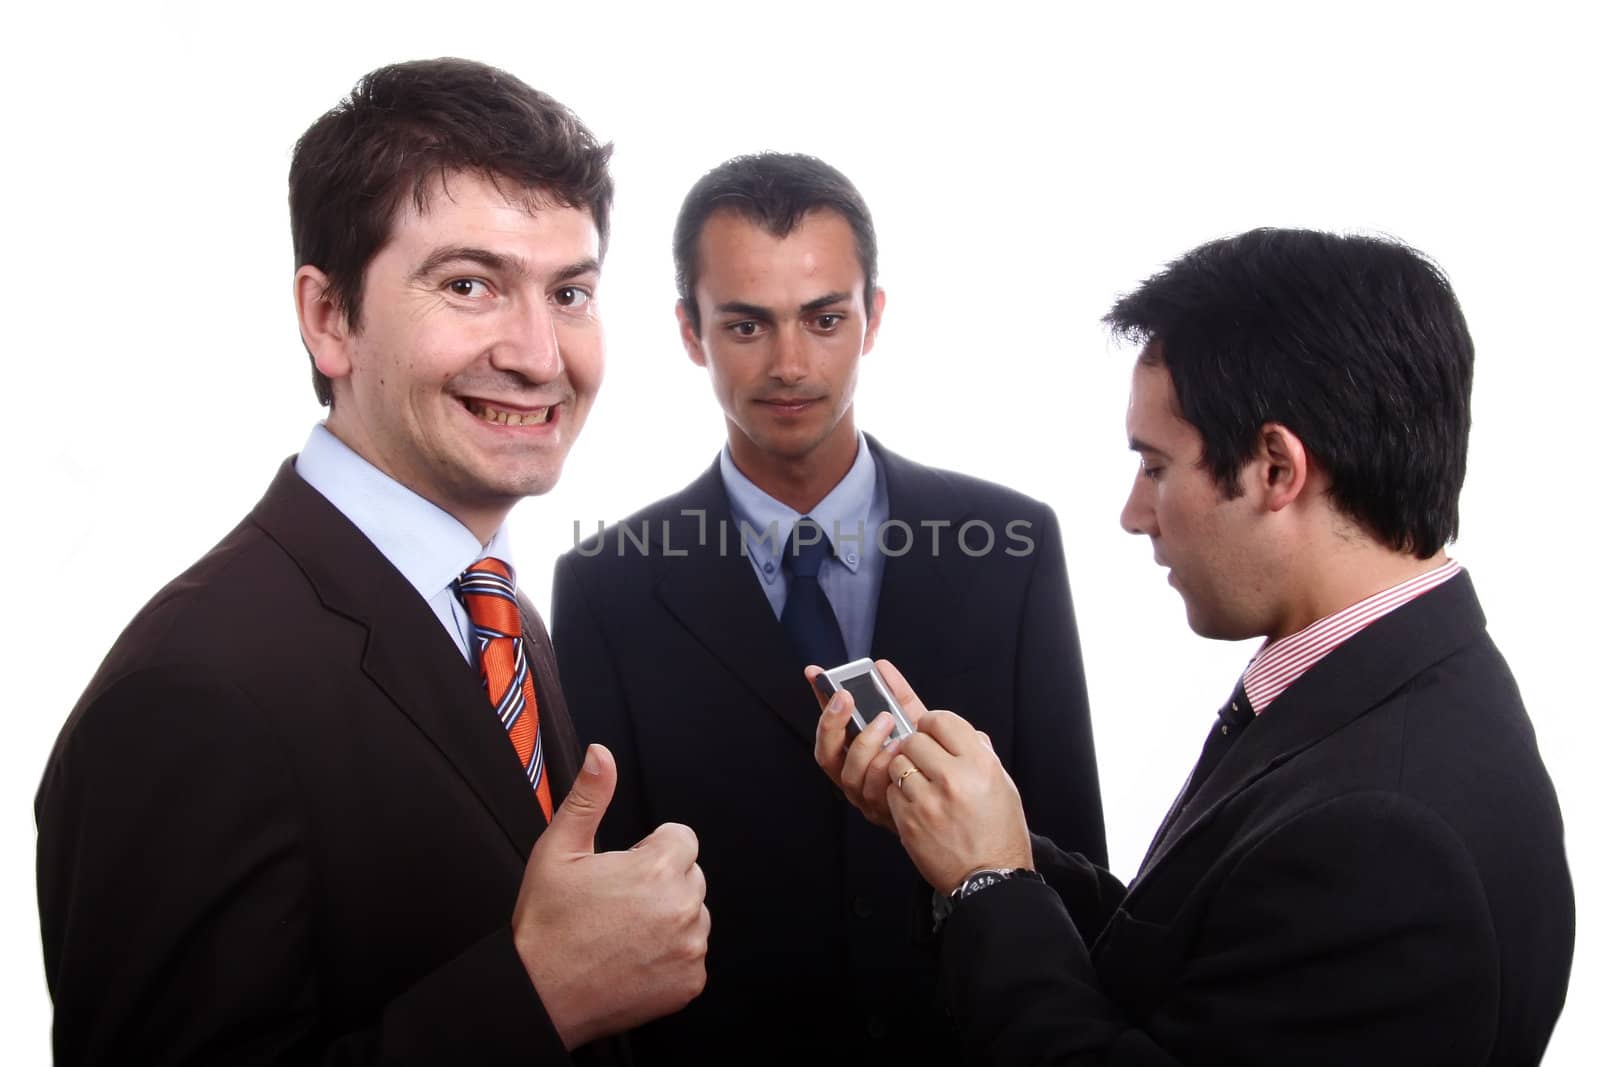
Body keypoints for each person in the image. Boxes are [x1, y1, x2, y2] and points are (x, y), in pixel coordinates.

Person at [35, 58, 708, 1065]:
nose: (538, 352)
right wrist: (537, 996)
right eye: (470, 284)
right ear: (327, 317)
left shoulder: (499, 616)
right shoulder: (193, 688)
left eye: (568, 291)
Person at [813, 229, 1575, 1064]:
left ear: (1275, 469)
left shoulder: (1386, 837)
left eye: (1156, 467)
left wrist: (987, 886)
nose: (1134, 513)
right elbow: (1192, 959)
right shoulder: (1384, 684)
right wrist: (973, 832)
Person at [551, 152, 1106, 1061]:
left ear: (872, 317)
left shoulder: (1012, 544)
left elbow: (1075, 868)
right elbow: (611, 910)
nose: (790, 364)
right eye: (746, 325)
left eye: (824, 318)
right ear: (691, 332)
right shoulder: (606, 585)